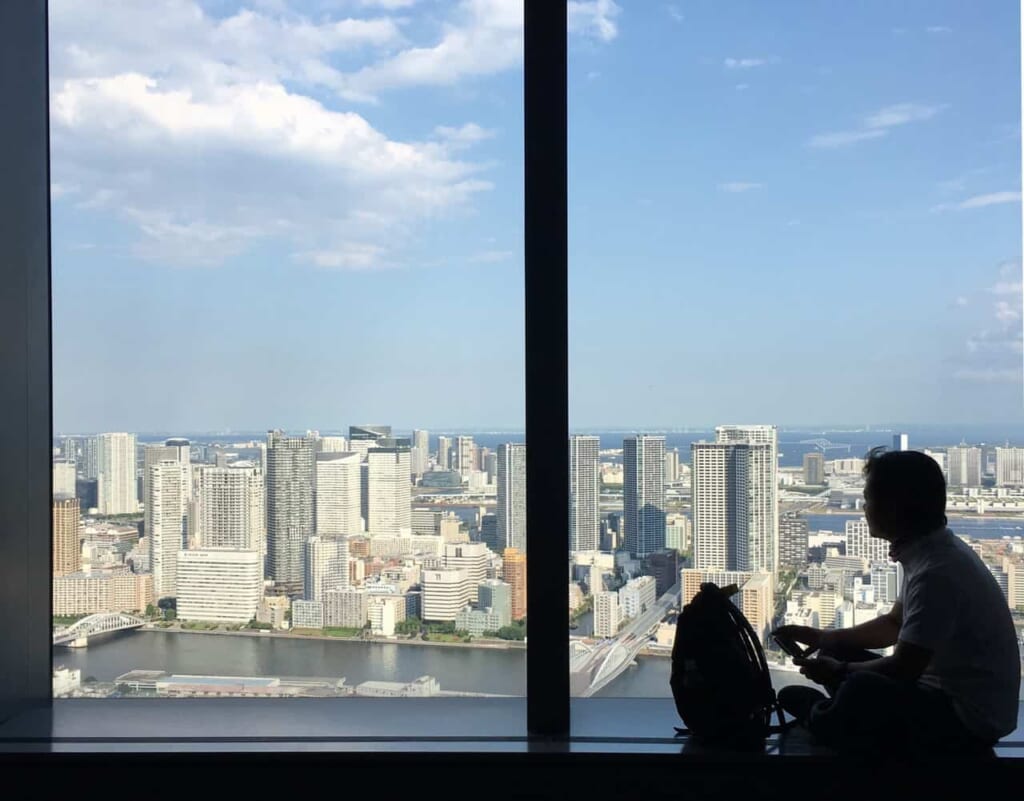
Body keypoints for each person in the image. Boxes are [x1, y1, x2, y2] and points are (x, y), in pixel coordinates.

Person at [774, 447, 1021, 757]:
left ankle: (821, 716)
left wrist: (842, 671)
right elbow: (894, 624)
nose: (863, 508)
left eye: (868, 499)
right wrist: (825, 638)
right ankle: (847, 711)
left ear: (892, 508)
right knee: (839, 657)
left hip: (966, 720)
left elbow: (904, 666)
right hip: (943, 695)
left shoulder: (937, 572)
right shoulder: (930, 553)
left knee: (859, 688)